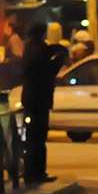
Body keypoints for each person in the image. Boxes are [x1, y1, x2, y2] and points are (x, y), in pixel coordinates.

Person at [19, 22, 69, 185]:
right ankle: (36, 172)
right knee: (38, 139)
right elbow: (50, 68)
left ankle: (32, 172)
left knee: (33, 138)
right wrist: (58, 60)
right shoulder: (40, 50)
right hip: (39, 99)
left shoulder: (29, 50)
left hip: (30, 98)